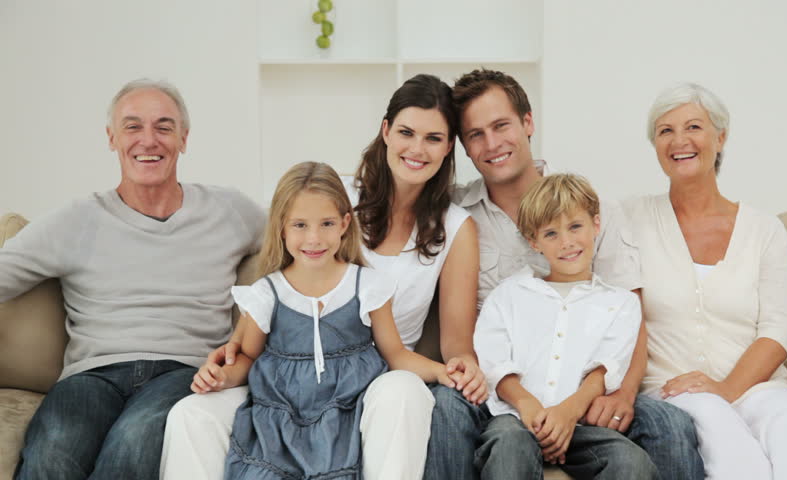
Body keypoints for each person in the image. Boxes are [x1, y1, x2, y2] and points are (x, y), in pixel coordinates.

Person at [160, 74, 481, 480]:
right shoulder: (331, 196)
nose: (417, 149)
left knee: (403, 391)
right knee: (191, 414)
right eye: (406, 132)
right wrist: (231, 352)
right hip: (282, 383)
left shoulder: (456, 226)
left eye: (433, 138)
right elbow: (277, 266)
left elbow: (450, 344)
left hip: (376, 376)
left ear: (449, 145)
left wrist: (459, 368)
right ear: (385, 131)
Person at [1, 79, 265, 480]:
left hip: (184, 371)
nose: (149, 140)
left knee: (133, 442)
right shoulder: (75, 220)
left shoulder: (231, 210)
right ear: (112, 138)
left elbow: (301, 240)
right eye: (132, 126)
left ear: (183, 138)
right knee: (52, 452)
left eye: (163, 127)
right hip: (92, 377)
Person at [450, 68, 703, 479]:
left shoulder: (587, 205)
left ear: (528, 123)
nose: (492, 143)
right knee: (449, 409)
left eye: (501, 125)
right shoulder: (456, 216)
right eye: (476, 134)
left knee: (669, 424)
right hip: (501, 395)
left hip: (586, 395)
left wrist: (620, 393)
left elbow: (629, 315)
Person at [629, 82, 787, 479]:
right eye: (665, 131)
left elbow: (776, 331)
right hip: (675, 392)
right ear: (655, 145)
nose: (680, 140)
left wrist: (728, 388)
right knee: (731, 451)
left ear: (721, 136)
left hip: (759, 388)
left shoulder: (765, 230)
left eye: (693, 127)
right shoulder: (630, 221)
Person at [188, 161, 458, 479]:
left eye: (326, 223)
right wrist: (220, 377)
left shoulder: (367, 286)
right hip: (281, 418)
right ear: (281, 227)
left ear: (345, 223)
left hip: (348, 411)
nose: (314, 239)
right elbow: (246, 356)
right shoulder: (267, 293)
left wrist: (442, 372)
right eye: (300, 225)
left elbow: (396, 354)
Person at [474, 173, 657, 479]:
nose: (567, 242)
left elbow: (604, 371)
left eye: (575, 226)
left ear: (595, 225)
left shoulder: (620, 303)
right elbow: (495, 365)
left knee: (631, 462)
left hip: (581, 426)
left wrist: (566, 414)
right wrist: (529, 407)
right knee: (509, 448)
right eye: (551, 234)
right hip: (516, 420)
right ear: (534, 241)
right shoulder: (508, 295)